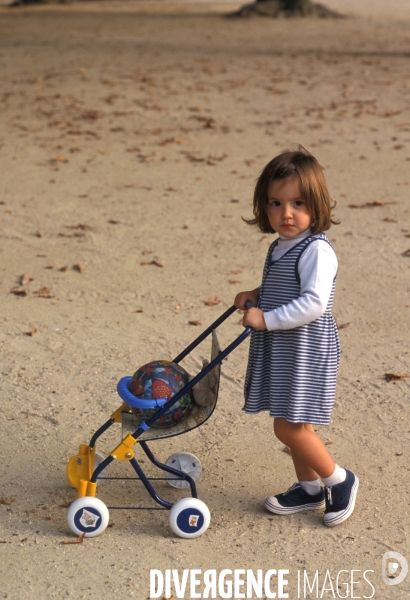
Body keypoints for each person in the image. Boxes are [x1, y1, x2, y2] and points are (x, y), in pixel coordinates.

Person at [234, 147, 358, 527]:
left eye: (298, 203)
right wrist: (258, 293)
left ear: (316, 204)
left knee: (287, 426)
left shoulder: (317, 250)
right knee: (295, 420)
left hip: (306, 350)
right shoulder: (281, 245)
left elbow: (313, 304)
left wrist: (266, 319)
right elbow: (284, 286)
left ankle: (340, 480)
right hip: (286, 348)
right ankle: (308, 490)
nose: (286, 213)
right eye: (276, 203)